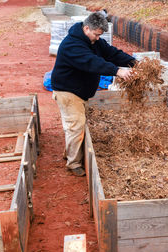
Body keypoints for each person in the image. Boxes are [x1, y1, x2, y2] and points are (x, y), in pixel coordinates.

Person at [51, 12, 135, 177]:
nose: (98, 38)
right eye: (96, 34)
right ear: (87, 28)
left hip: (80, 91)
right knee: (76, 126)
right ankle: (73, 164)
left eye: (100, 35)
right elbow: (92, 62)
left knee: (76, 124)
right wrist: (117, 71)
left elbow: (112, 53)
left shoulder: (94, 41)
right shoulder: (72, 45)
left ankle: (69, 153)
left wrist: (134, 62)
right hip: (68, 91)